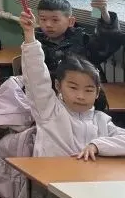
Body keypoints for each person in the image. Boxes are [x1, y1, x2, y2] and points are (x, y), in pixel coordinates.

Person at [21, 9, 125, 159]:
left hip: (86, 174)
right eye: (73, 88)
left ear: (97, 93)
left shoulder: (101, 120)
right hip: (51, 172)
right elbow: (35, 75)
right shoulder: (49, 110)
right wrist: (29, 36)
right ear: (58, 86)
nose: (80, 96)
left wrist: (97, 145)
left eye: (88, 90)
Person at [34, 0, 125, 109]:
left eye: (55, 20)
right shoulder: (35, 44)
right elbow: (31, 75)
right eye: (43, 19)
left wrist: (104, 13)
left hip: (86, 100)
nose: (48, 24)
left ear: (70, 21)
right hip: (50, 101)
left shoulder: (82, 41)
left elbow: (105, 42)